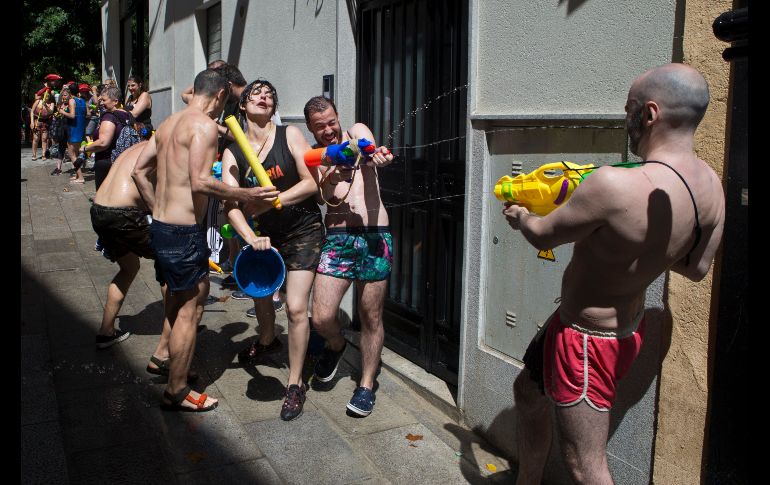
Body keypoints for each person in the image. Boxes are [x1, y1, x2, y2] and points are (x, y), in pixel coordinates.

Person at [502, 63, 725, 485]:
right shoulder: (712, 187)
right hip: (609, 327)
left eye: (630, 108)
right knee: (527, 393)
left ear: (651, 114)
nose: (627, 118)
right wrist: (646, 248)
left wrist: (522, 215)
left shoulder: (613, 185)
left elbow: (541, 236)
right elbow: (695, 268)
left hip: (586, 341)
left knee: (587, 467)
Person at [131, 68, 279, 412]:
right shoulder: (204, 126)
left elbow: (140, 171)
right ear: (219, 97)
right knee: (192, 308)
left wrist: (158, 209)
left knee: (176, 300)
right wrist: (246, 191)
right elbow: (200, 181)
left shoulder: (168, 124)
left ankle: (163, 360)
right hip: (184, 234)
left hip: (163, 228)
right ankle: (177, 390)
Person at [223, 79, 322, 421]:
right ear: (242, 106)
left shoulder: (289, 135)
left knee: (295, 308)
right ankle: (268, 340)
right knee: (261, 297)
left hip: (302, 230)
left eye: (270, 94)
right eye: (257, 93)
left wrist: (271, 202)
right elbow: (231, 204)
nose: (265, 97)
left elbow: (311, 184)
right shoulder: (233, 150)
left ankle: (295, 384)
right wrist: (250, 236)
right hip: (264, 236)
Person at [303, 96, 395, 417]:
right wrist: (333, 175)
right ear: (311, 130)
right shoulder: (315, 157)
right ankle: (337, 344)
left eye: (331, 122)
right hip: (338, 239)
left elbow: (368, 149)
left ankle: (367, 384)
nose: (328, 130)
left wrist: (374, 156)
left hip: (374, 235)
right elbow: (323, 196)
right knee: (322, 317)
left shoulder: (354, 131)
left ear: (337, 116)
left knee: (371, 316)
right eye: (320, 127)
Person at [90, 140, 152, 348]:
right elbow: (142, 179)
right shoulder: (165, 147)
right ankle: (181, 327)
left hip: (99, 210)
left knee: (129, 267)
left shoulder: (138, 146)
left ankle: (106, 331)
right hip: (124, 213)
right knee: (168, 264)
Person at [83, 85, 131, 190]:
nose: (102, 103)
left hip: (107, 162)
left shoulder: (109, 116)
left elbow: (103, 143)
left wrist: (85, 149)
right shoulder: (128, 115)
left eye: (104, 100)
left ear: (115, 101)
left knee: (104, 198)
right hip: (124, 161)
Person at [60, 82, 88, 183]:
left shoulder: (72, 100)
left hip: (73, 129)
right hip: (81, 129)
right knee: (75, 153)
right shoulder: (83, 101)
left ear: (70, 92)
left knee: (71, 154)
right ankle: (77, 175)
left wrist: (63, 112)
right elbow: (87, 114)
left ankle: (80, 177)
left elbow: (72, 115)